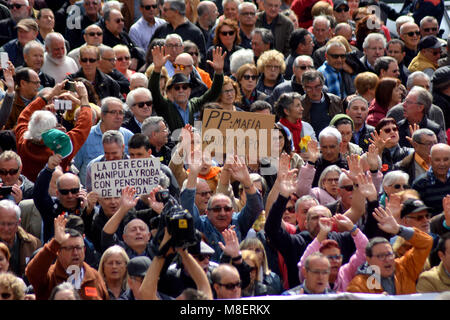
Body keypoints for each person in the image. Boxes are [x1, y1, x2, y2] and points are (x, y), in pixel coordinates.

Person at [181, 154, 264, 262]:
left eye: (227, 209)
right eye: (216, 209)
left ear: (233, 211)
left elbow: (256, 207)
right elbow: (187, 207)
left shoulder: (238, 221)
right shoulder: (200, 225)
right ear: (207, 212)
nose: (222, 213)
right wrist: (193, 174)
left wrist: (246, 180)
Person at [15, 80, 93, 182]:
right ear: (51, 131)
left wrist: (50, 95)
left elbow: (24, 116)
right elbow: (84, 126)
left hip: (28, 191)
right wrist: (84, 97)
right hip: (56, 193)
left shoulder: (23, 141)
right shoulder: (61, 147)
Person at [346, 207, 433, 294]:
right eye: (381, 256)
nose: (387, 259)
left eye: (389, 254)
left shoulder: (405, 268)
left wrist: (399, 229)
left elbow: (426, 242)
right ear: (369, 260)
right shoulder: (358, 286)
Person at [25, 215, 109, 300]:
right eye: (69, 248)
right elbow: (32, 272)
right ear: (58, 251)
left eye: (79, 248)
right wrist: (55, 243)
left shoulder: (94, 277)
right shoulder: (50, 276)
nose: (75, 253)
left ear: (84, 249)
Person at [149, 45, 225, 133]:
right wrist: (157, 69)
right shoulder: (166, 106)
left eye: (185, 87)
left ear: (189, 90)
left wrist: (219, 72)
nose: (181, 90)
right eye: (177, 88)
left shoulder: (194, 104)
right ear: (170, 91)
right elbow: (153, 92)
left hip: (195, 145)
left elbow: (213, 93)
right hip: (173, 145)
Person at [73, 97, 133, 186]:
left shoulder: (129, 136)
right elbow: (74, 168)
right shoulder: (85, 136)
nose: (118, 116)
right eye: (113, 112)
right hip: (92, 194)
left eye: (121, 113)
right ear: (103, 115)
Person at [0, 199, 41, 278]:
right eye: (2, 223)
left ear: (18, 223)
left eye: (10, 224)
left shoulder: (33, 244)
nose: (6, 228)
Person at [412, 143, 450, 216]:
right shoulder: (420, 184)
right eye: (437, 160)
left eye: (446, 159)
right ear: (430, 160)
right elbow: (417, 214)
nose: (442, 164)